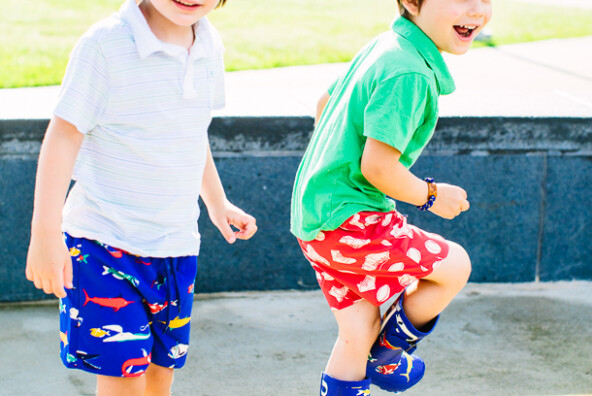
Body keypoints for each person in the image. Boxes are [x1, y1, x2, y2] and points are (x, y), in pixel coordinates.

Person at [25, 0, 257, 395]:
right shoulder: (105, 45)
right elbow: (64, 136)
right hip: (103, 243)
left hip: (176, 248)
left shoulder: (208, 46)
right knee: (124, 378)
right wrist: (45, 234)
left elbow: (189, 130)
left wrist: (216, 202)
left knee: (159, 373)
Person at [290, 0, 492, 394]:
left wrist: (333, 164)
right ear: (411, 3)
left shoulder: (387, 45)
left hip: (315, 216)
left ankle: (374, 354)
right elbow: (378, 169)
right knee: (455, 266)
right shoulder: (410, 72)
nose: (477, 10)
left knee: (355, 334)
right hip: (351, 220)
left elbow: (324, 104)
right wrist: (432, 196)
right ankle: (387, 359)